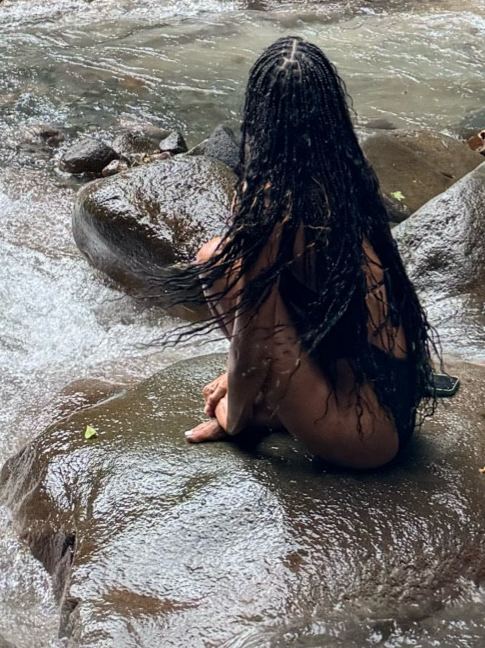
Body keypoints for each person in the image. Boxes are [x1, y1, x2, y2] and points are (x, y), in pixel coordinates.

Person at [181, 34, 440, 469]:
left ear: (259, 114)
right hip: (391, 398)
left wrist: (234, 418)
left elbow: (253, 340)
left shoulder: (273, 203)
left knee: (215, 263)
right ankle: (289, 406)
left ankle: (269, 412)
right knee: (220, 255)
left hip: (364, 434)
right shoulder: (344, 176)